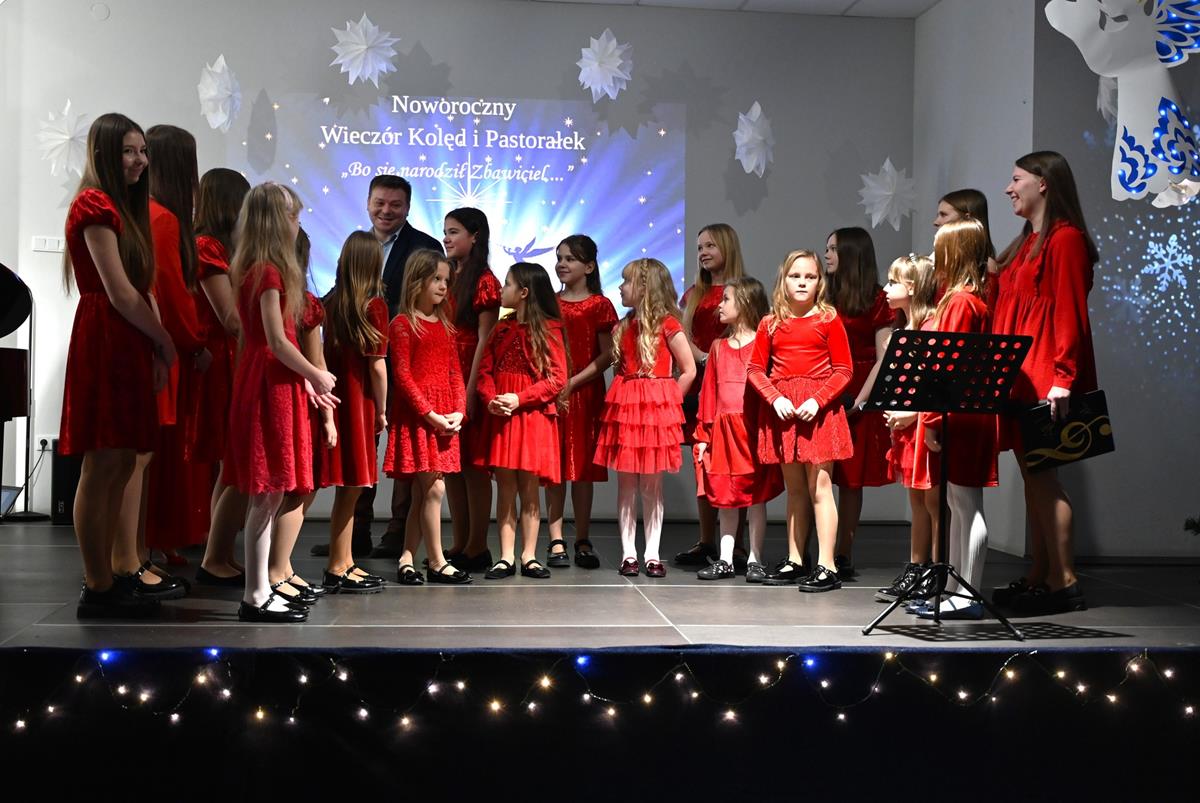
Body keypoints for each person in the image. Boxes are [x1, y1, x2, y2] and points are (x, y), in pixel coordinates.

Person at [60, 113, 176, 618]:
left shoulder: (120, 208)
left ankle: (110, 576)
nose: (140, 160)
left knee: (123, 460)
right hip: (106, 336)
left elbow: (140, 292)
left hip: (126, 338)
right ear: (104, 153)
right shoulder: (94, 204)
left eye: (143, 151)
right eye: (129, 151)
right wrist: (165, 342)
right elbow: (120, 293)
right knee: (103, 461)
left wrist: (154, 345)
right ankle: (98, 583)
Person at [991, 151, 1099, 615]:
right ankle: (1040, 574)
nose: (1009, 188)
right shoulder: (1024, 244)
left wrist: (1064, 378)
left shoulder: (1066, 240)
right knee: (1033, 480)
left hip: (1047, 380)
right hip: (1022, 380)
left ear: (1044, 183)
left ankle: (1064, 581)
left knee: (1045, 478)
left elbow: (1070, 312)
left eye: (1016, 179)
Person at [314, 174, 443, 560]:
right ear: (368, 202)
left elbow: (424, 304)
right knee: (360, 447)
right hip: (359, 363)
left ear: (408, 207)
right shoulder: (357, 243)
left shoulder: (425, 246)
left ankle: (398, 534)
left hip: (405, 359)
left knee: (406, 449)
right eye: (379, 203)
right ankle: (354, 535)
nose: (386, 211)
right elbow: (344, 290)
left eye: (395, 204)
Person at [224, 183, 337, 623]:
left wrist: (305, 382)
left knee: (269, 494)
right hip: (268, 384)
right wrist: (315, 374)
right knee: (266, 492)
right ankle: (256, 594)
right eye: (293, 217)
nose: (297, 224)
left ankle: (262, 588)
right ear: (276, 221)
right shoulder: (268, 272)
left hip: (273, 381)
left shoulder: (257, 269)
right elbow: (275, 340)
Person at [747, 250, 853, 592]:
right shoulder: (770, 323)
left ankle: (827, 565)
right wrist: (775, 398)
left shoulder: (829, 319)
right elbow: (755, 369)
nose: (803, 282)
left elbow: (844, 370)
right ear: (784, 280)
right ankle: (795, 559)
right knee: (794, 490)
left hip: (818, 413)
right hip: (785, 412)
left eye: (810, 277)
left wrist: (817, 400)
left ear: (820, 282)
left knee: (820, 487)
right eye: (796, 276)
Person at [908, 219, 999, 620]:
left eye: (938, 247)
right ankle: (954, 588)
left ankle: (969, 593)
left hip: (960, 415)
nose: (933, 255)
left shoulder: (962, 302)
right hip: (960, 413)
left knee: (966, 502)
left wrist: (931, 418)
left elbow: (949, 366)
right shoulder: (961, 298)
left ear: (955, 252)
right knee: (956, 502)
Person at [594, 258, 697, 578]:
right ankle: (629, 554)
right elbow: (619, 369)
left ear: (645, 287)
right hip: (628, 407)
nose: (621, 287)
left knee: (652, 485)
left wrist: (668, 403)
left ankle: (652, 554)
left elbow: (689, 370)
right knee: (626, 485)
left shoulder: (668, 324)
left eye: (626, 282)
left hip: (655, 410)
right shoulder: (622, 327)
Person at [141, 124, 211, 578]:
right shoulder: (163, 220)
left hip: (154, 346)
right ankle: (142, 549)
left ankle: (147, 546)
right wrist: (194, 342)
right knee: (156, 455)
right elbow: (173, 295)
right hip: (167, 353)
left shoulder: (144, 214)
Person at [475, 262, 569, 580]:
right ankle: (506, 556)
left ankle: (529, 555)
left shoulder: (549, 329)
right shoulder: (502, 327)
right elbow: (485, 370)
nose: (502, 290)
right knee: (505, 487)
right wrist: (491, 398)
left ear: (524, 292)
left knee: (529, 488)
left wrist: (520, 398)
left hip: (531, 415)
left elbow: (557, 378)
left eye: (507, 284)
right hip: (504, 415)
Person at [384, 249, 471, 585]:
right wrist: (430, 414)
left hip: (444, 418)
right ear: (417, 280)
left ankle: (407, 558)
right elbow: (403, 376)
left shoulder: (445, 326)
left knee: (424, 494)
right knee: (434, 489)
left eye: (446, 280)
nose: (443, 286)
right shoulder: (402, 324)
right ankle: (436, 561)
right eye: (436, 279)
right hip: (420, 419)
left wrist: (459, 411)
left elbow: (455, 373)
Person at [692, 277, 783, 582]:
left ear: (744, 303)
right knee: (725, 497)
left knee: (756, 497)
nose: (719, 305)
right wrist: (703, 436)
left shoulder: (763, 344)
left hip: (753, 430)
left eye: (726, 299)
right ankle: (725, 559)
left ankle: (755, 558)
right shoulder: (718, 347)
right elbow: (708, 394)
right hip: (724, 432)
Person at [317, 232, 392, 591]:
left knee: (349, 487)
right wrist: (383, 409)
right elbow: (377, 366)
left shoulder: (331, 302)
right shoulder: (374, 306)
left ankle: (344, 561)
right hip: (359, 404)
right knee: (353, 487)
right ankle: (338, 564)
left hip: (335, 400)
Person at [675, 224, 747, 568]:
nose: (703, 252)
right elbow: (681, 335)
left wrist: (718, 359)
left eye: (710, 246)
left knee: (734, 462)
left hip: (731, 384)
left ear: (727, 248)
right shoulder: (692, 295)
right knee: (702, 459)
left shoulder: (741, 292)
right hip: (700, 381)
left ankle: (737, 544)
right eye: (699, 247)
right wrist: (702, 358)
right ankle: (707, 540)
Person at [824, 227, 893, 579]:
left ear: (852, 253)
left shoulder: (877, 299)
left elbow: (884, 357)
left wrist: (860, 402)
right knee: (819, 475)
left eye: (833, 248)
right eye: (827, 248)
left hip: (859, 391)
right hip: (824, 388)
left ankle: (843, 553)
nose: (827, 255)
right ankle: (815, 552)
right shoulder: (824, 295)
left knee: (851, 480)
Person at [545, 234, 617, 570]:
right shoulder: (550, 303)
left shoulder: (600, 305)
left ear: (588, 267)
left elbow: (607, 355)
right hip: (553, 393)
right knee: (555, 468)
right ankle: (556, 538)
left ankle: (583, 538)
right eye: (559, 257)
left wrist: (572, 382)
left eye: (570, 258)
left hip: (585, 394)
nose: (562, 264)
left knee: (582, 469)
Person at [193, 168, 250, 586]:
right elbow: (230, 318)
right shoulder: (208, 248)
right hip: (222, 363)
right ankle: (215, 557)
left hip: (233, 360)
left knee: (231, 465)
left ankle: (220, 552)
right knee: (235, 464)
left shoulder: (220, 248)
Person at [875, 254, 942, 603]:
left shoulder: (931, 327)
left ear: (913, 287)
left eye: (893, 282)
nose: (886, 289)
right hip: (905, 429)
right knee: (916, 499)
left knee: (933, 501)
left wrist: (913, 415)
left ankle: (936, 569)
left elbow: (936, 385)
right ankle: (917, 567)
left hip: (923, 427)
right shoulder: (904, 331)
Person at [442, 208, 502, 571]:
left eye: (454, 232)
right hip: (446, 375)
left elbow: (485, 340)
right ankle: (460, 542)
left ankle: (478, 545)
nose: (446, 238)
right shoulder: (448, 275)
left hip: (469, 377)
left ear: (475, 235)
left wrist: (471, 391)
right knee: (452, 465)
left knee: (474, 466)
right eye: (445, 231)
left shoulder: (484, 281)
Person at [934, 188, 999, 307]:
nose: (936, 222)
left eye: (943, 215)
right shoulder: (942, 260)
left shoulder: (987, 267)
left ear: (966, 219)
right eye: (938, 215)